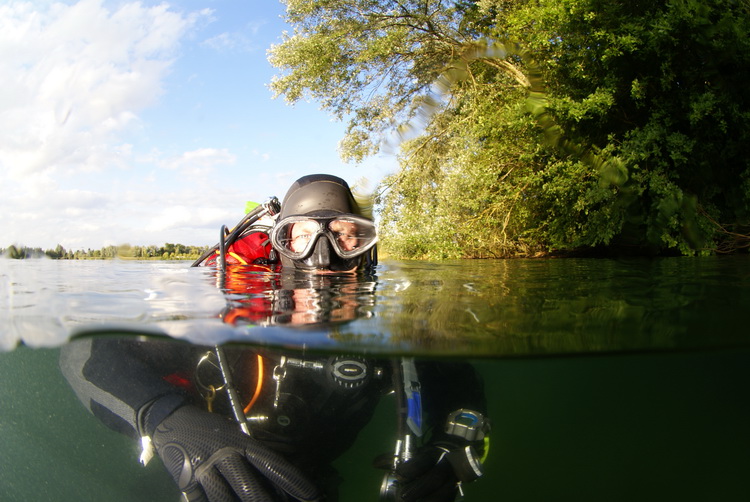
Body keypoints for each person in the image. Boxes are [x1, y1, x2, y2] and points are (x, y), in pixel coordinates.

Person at [60, 174, 489, 502]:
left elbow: (461, 391)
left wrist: (457, 445)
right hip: (207, 475)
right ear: (278, 246)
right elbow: (84, 355)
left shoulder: (395, 326)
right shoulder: (227, 319)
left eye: (346, 234)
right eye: (299, 236)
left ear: (367, 248)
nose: (323, 258)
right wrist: (164, 418)